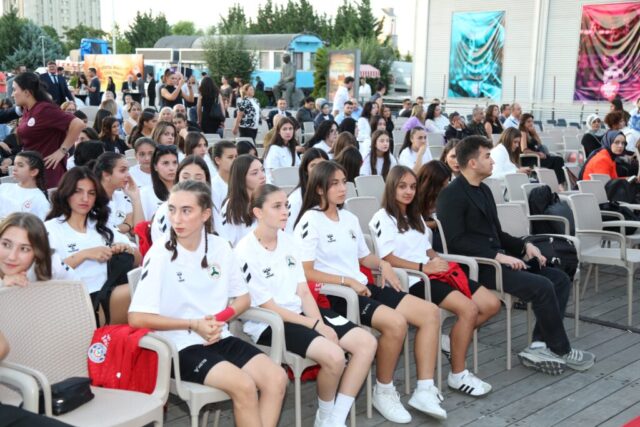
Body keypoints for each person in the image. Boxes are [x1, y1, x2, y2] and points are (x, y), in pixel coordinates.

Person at [294, 161, 447, 422]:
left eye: (344, 182)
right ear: (319, 189)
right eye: (334, 184)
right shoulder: (311, 220)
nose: (343, 188)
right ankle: (383, 390)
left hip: (361, 287)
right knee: (396, 323)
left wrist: (383, 264)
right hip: (335, 295)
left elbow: (364, 258)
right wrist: (346, 281)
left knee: (430, 313)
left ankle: (424, 389)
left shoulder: (350, 218)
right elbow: (306, 271)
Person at [129, 180, 287, 427]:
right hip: (178, 345)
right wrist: (194, 324)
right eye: (172, 210)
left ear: (205, 215)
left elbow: (243, 298)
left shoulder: (220, 247)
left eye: (186, 210)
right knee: (244, 385)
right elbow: (136, 317)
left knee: (277, 379)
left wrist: (217, 320)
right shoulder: (160, 253)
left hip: (217, 335)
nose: (177, 219)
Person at [436, 136, 595, 375]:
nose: (492, 161)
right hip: (478, 267)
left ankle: (539, 345)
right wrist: (497, 257)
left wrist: (524, 246)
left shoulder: (484, 190)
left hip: (498, 260)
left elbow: (497, 234)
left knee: (560, 279)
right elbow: (455, 242)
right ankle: (561, 350)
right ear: (472, 163)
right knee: (542, 286)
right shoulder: (451, 195)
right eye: (487, 156)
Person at [236, 183, 377, 427]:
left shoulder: (288, 241)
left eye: (286, 205)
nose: (285, 211)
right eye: (277, 206)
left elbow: (303, 291)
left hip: (301, 313)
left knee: (366, 343)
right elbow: (270, 307)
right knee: (335, 356)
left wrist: (321, 325)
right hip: (271, 323)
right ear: (258, 212)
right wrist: (316, 325)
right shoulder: (245, 250)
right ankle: (327, 416)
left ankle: (333, 418)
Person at [371, 165, 499, 396]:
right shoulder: (382, 218)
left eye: (412, 187)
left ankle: (452, 340)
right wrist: (424, 267)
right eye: (402, 186)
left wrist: (438, 260)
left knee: (491, 304)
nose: (408, 192)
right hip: (414, 280)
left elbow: (426, 249)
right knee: (469, 309)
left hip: (434, 273)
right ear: (391, 188)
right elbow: (387, 258)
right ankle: (458, 374)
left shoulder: (415, 215)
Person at [46, 166, 140, 325]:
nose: (85, 198)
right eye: (78, 191)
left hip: (111, 294)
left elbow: (138, 259)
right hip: (77, 305)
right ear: (66, 193)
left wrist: (126, 249)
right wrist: (84, 255)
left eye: (91, 193)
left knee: (148, 285)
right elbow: (46, 274)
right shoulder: (50, 229)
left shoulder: (101, 226)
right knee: (146, 289)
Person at [13, 72, 85, 188]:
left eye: (14, 90)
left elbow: (78, 124)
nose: (12, 94)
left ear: (27, 92)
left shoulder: (45, 109)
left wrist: (62, 151)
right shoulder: (27, 109)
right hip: (33, 173)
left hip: (49, 175)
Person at [0, 212, 77, 287]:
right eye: (6, 244)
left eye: (24, 249)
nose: (12, 257)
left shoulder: (52, 264)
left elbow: (76, 286)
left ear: (38, 252)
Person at [150, 155, 212, 243]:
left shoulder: (214, 208)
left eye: (198, 178)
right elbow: (161, 244)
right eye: (185, 177)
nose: (191, 182)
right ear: (178, 178)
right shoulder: (165, 210)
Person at [217, 155, 266, 246]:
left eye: (262, 170)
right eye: (255, 173)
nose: (262, 176)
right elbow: (226, 244)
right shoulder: (232, 207)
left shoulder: (266, 200)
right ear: (241, 177)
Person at [94, 152, 143, 234]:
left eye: (128, 170)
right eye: (122, 170)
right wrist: (127, 225)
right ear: (106, 175)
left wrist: (136, 198)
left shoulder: (122, 196)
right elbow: (99, 231)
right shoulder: (91, 200)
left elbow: (138, 229)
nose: (128, 175)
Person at [285, 148, 329, 233]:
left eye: (322, 165)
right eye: (313, 165)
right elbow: (289, 231)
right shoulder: (296, 198)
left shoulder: (333, 193)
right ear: (305, 170)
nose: (318, 169)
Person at [0, 151, 50, 220]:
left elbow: (41, 224)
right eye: (14, 164)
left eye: (20, 165)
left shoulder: (39, 200)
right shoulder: (4, 187)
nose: (14, 169)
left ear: (33, 172)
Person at [519, 113, 565, 187]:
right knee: (558, 160)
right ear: (523, 123)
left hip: (536, 157)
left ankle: (558, 184)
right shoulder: (522, 132)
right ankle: (559, 185)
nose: (531, 123)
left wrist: (534, 133)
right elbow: (524, 150)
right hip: (530, 159)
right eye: (528, 122)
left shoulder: (530, 132)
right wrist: (537, 154)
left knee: (558, 159)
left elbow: (539, 144)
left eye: (532, 121)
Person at [139, 145, 179, 220]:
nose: (172, 168)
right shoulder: (145, 193)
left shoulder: (185, 190)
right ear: (155, 166)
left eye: (175, 163)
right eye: (165, 163)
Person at [263, 117, 301, 183]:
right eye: (284, 129)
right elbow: (273, 174)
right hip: (276, 185)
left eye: (290, 129)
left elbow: (299, 167)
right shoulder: (273, 149)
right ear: (279, 131)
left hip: (291, 183)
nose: (288, 132)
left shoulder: (291, 148)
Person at [210, 140, 238, 212]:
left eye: (236, 157)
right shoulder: (213, 187)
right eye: (230, 157)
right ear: (218, 160)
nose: (235, 160)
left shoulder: (242, 182)